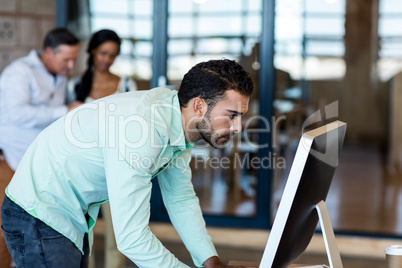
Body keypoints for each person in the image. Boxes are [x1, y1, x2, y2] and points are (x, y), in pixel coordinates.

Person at [1, 59, 254, 268]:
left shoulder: (177, 121)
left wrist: (211, 263)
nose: (238, 127)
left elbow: (180, 199)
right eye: (231, 115)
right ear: (199, 105)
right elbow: (131, 238)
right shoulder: (143, 130)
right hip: (39, 211)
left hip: (69, 213)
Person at [0, 27, 81, 268]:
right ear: (48, 52)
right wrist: (63, 111)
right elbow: (17, 113)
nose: (70, 65)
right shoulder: (19, 73)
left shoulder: (60, 74)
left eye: (74, 59)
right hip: (9, 161)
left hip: (34, 165)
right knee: (4, 231)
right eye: (66, 59)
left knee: (32, 229)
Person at [68, 29, 137, 268]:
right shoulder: (74, 85)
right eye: (103, 53)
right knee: (84, 232)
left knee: (119, 231)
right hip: (84, 168)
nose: (107, 59)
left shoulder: (127, 84)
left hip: (118, 166)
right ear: (92, 51)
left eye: (113, 55)